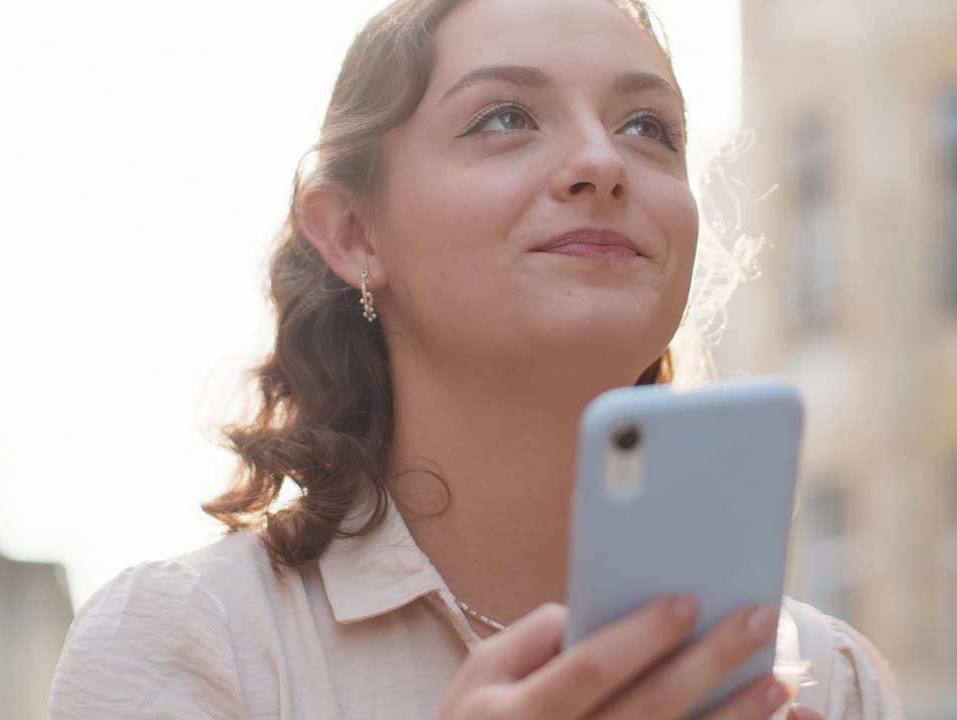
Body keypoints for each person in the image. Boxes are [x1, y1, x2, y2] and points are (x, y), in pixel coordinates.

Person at [48, 0, 902, 717]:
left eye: (648, 127)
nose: (603, 163)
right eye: (505, 118)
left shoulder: (837, 677)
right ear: (353, 233)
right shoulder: (194, 643)